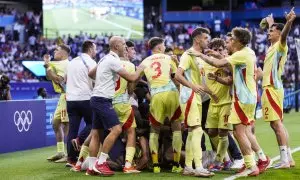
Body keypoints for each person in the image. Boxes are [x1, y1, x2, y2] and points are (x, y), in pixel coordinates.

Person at [191, 27, 270, 177]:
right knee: (244, 131)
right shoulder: (248, 52)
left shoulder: (240, 54)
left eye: (232, 38)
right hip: (247, 97)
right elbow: (228, 65)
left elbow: (219, 63)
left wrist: (199, 54)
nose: (230, 40)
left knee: (238, 132)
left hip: (243, 98)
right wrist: (216, 54)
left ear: (239, 42)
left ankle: (250, 165)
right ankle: (260, 159)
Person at [87, 36, 142, 176]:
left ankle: (91, 167)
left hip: (95, 98)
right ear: (116, 46)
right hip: (103, 100)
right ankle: (101, 163)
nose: (125, 46)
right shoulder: (113, 60)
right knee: (117, 130)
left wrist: (104, 79)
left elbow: (91, 74)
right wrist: (141, 68)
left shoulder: (104, 58)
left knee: (96, 134)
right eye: (123, 44)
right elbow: (132, 78)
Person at [135, 37, 184, 174]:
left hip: (156, 95)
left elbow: (135, 78)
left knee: (154, 130)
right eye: (163, 45)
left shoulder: (145, 61)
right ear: (160, 47)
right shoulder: (169, 59)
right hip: (172, 93)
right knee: (176, 128)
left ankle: (156, 165)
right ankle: (176, 164)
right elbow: (177, 78)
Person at [175, 27, 217, 177]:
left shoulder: (199, 57)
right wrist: (192, 86)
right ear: (197, 39)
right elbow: (178, 75)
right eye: (206, 38)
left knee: (193, 131)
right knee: (197, 130)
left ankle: (188, 167)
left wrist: (212, 93)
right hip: (189, 96)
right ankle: (198, 167)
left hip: (196, 96)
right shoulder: (188, 54)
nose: (208, 40)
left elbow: (200, 82)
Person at [261, 8, 296, 168]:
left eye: (271, 31)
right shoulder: (272, 47)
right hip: (273, 88)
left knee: (276, 124)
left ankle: (284, 160)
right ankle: (288, 158)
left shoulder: (281, 45)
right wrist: (271, 23)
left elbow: (284, 35)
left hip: (272, 88)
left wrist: (289, 22)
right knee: (278, 123)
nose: (268, 33)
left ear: (278, 33)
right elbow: (276, 35)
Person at [65, 40, 97, 166]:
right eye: (94, 49)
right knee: (93, 124)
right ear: (90, 49)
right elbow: (95, 80)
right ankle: (79, 140)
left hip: (71, 100)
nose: (95, 51)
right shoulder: (91, 62)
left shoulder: (72, 62)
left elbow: (65, 79)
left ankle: (71, 159)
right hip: (85, 98)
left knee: (72, 128)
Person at [204, 38, 233, 171]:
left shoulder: (228, 61)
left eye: (220, 49)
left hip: (226, 102)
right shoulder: (206, 64)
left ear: (224, 51)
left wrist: (220, 59)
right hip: (212, 103)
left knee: (223, 132)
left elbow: (232, 75)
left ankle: (219, 160)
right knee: (211, 132)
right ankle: (226, 159)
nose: (216, 52)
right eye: (214, 49)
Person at [44, 44, 70, 163]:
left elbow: (59, 80)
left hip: (68, 95)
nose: (54, 51)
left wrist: (48, 65)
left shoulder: (65, 64)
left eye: (57, 50)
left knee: (66, 124)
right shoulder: (55, 63)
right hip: (62, 96)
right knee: (55, 123)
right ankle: (60, 152)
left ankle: (69, 154)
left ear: (64, 53)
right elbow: (49, 77)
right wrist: (47, 66)